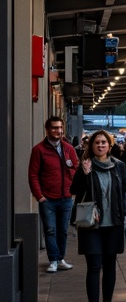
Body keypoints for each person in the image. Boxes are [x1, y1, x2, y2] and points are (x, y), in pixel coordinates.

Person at [69, 130, 126, 302]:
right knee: (94, 267)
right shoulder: (85, 166)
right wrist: (84, 174)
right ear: (91, 146)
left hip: (114, 224)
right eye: (97, 143)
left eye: (104, 142)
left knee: (111, 266)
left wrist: (125, 214)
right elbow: (75, 191)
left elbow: (124, 192)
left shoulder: (119, 166)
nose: (101, 145)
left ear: (109, 146)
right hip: (91, 226)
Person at [28, 116, 79, 274]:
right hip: (47, 198)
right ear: (47, 130)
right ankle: (53, 260)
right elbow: (33, 175)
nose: (58, 131)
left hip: (66, 197)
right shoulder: (39, 150)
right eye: (54, 128)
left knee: (63, 230)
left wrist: (72, 187)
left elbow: (75, 169)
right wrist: (39, 196)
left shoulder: (68, 149)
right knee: (50, 230)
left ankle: (60, 258)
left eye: (60, 128)